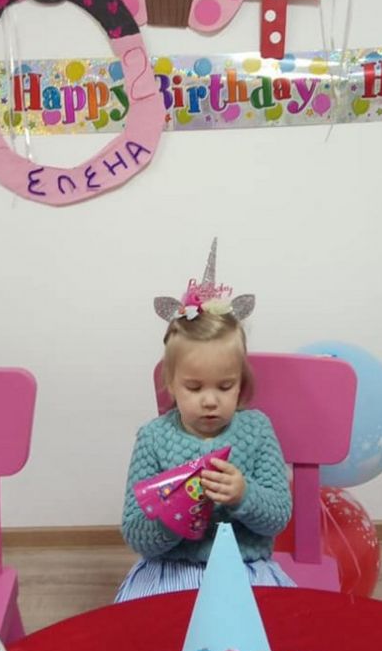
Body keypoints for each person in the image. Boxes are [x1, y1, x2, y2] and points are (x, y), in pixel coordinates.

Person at [114, 241, 294, 602]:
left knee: (273, 626)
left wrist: (244, 495)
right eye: (194, 387)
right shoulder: (153, 438)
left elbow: (278, 516)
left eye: (225, 386)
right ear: (171, 384)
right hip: (170, 569)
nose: (210, 400)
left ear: (241, 383)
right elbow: (135, 532)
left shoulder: (257, 431)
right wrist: (175, 515)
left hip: (246, 568)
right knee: (148, 630)